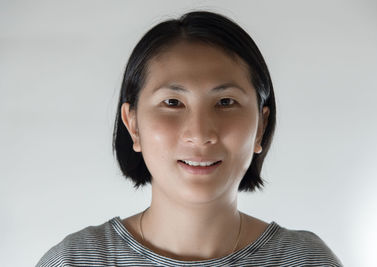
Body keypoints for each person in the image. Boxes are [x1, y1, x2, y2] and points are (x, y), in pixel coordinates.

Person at [36, 11, 343, 266]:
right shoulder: (75, 260)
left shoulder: (306, 261)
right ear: (133, 125)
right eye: (172, 103)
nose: (200, 134)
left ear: (261, 125)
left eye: (225, 102)